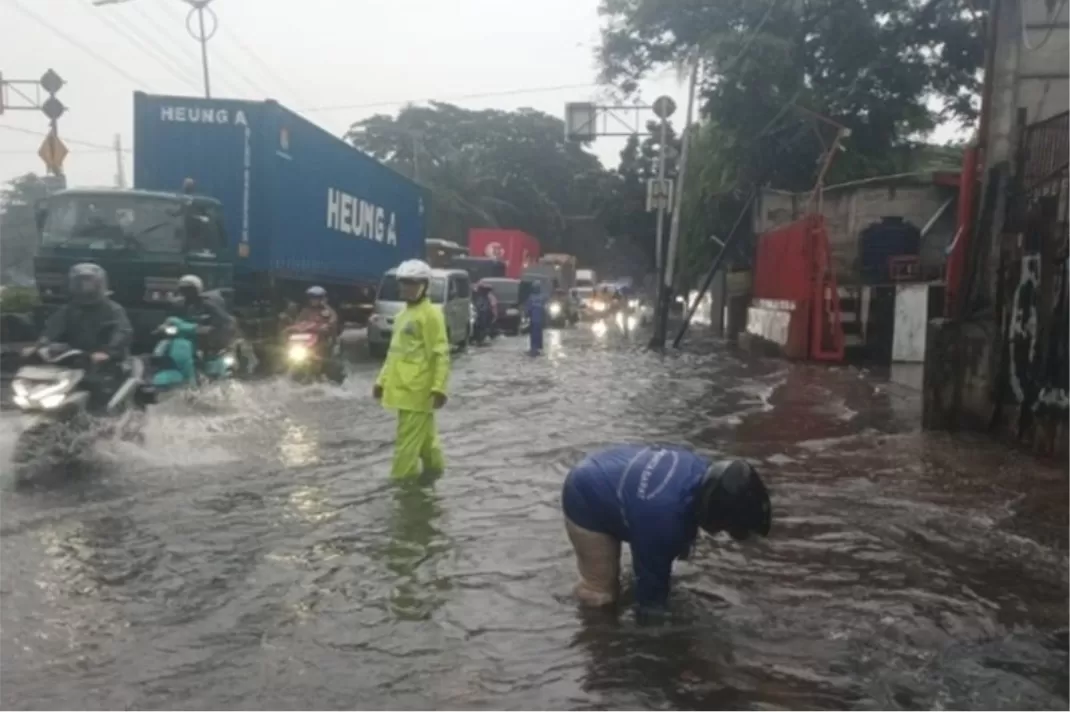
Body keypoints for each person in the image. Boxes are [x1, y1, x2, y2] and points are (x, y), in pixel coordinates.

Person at [561, 445, 772, 614]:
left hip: (610, 469)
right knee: (602, 594)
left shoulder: (700, 468)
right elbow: (651, 597)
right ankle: (593, 637)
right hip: (585, 493)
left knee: (653, 556)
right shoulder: (663, 520)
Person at [373, 259, 450, 479]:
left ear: (425, 286)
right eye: (405, 283)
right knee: (427, 443)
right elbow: (394, 354)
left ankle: (402, 490)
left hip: (417, 392)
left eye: (413, 284)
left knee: (405, 447)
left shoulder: (431, 315)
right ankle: (436, 475)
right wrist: (381, 381)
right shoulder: (402, 316)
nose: (407, 288)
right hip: (403, 390)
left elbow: (440, 354)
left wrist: (439, 388)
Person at [23, 263, 133, 411]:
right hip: (76, 358)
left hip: (107, 362)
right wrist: (37, 346)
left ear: (99, 284)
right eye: (80, 282)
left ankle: (101, 420)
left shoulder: (113, 309)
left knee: (97, 388)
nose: (84, 286)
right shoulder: (68, 309)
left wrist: (107, 352)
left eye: (89, 281)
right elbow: (52, 330)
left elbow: (123, 331)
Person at [171, 274, 236, 355]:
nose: (186, 292)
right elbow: (171, 318)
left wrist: (212, 326)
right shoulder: (178, 303)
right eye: (183, 289)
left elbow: (224, 319)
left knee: (209, 352)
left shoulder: (207, 303)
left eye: (189, 289)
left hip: (204, 338)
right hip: (185, 335)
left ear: (197, 289)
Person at [526, 280, 546, 355]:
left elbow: (545, 308)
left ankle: (536, 348)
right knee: (535, 334)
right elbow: (528, 308)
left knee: (536, 334)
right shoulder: (535, 297)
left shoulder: (539, 297)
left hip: (537, 319)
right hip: (535, 319)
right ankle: (535, 348)